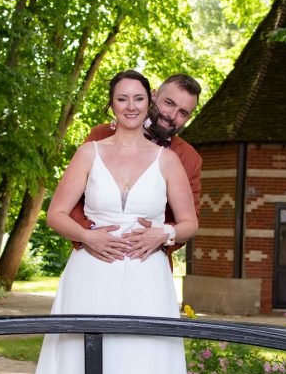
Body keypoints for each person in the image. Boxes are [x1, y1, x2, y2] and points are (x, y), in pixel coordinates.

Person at [8, 70, 201, 374]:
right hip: (92, 277)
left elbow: (190, 221)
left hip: (147, 283)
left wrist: (164, 233)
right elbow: (58, 212)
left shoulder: (180, 160)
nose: (136, 107)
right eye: (125, 99)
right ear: (115, 103)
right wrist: (89, 239)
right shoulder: (91, 147)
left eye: (182, 112)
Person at [69, 73, 202, 264]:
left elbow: (190, 222)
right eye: (169, 103)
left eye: (183, 113)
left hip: (149, 262)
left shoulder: (189, 158)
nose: (172, 116)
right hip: (94, 255)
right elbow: (71, 201)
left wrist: (161, 236)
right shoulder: (101, 135)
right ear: (153, 96)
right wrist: (89, 235)